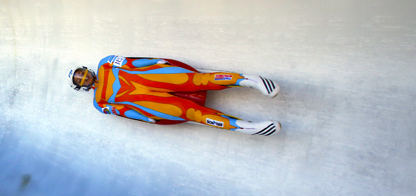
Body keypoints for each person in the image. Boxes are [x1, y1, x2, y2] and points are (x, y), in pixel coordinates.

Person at [68, 55, 281, 136]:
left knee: (197, 80)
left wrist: (154, 63)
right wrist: (146, 118)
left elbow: (131, 63)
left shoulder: (105, 63)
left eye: (82, 72)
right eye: (80, 79)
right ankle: (246, 127)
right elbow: (123, 110)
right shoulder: (99, 102)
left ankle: (250, 80)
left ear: (86, 68)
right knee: (193, 113)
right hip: (149, 103)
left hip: (151, 76)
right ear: (81, 86)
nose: (85, 77)